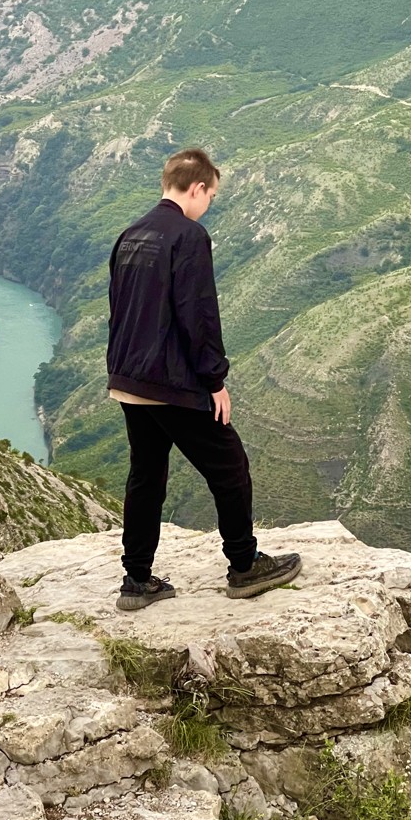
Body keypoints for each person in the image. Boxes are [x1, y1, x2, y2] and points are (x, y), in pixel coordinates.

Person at [107, 147, 302, 611]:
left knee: (146, 474)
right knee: (230, 466)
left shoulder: (131, 234)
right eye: (210, 195)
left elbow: (120, 310)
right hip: (170, 379)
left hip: (128, 377)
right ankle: (244, 565)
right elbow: (198, 313)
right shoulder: (188, 236)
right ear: (196, 188)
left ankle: (136, 580)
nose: (208, 203)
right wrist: (214, 380)